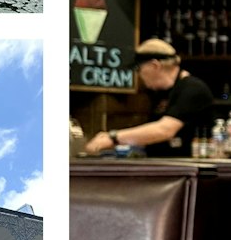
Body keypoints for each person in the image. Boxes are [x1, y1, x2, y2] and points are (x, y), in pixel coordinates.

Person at [82, 38, 217, 157]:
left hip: (189, 173)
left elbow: (164, 130)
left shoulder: (192, 89)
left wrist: (113, 137)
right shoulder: (161, 93)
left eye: (139, 69)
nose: (139, 75)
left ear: (154, 66)